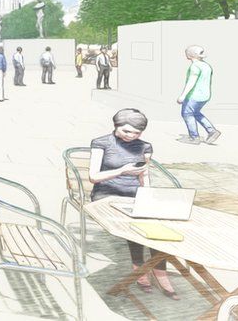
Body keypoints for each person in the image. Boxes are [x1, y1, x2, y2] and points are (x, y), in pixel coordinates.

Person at [89, 108, 178, 299]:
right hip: (107, 194)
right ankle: (140, 269)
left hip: (133, 194)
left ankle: (159, 272)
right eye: (126, 131)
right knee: (135, 225)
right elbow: (93, 177)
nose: (131, 136)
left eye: (136, 133)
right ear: (116, 126)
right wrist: (121, 171)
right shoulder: (101, 143)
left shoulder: (144, 146)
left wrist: (148, 196)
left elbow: (144, 174)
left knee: (155, 224)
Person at [178, 45, 220, 144]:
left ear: (189, 55)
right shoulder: (206, 65)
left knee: (187, 114)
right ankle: (212, 131)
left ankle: (194, 137)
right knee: (196, 113)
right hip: (205, 96)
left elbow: (191, 82)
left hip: (194, 96)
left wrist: (183, 96)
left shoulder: (194, 66)